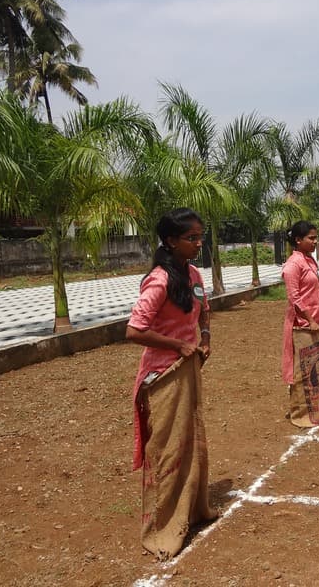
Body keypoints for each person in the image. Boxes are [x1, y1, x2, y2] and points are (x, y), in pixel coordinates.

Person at [125, 208, 217, 560]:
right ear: (170, 241)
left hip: (188, 369)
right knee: (167, 450)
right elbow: (134, 330)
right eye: (191, 238)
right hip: (162, 376)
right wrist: (178, 345)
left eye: (200, 237)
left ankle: (192, 510)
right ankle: (162, 527)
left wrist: (204, 338)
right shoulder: (159, 280)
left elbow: (204, 310)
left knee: (190, 442)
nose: (198, 243)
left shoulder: (193, 274)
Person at [281, 220, 319, 428]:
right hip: (302, 326)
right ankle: (303, 414)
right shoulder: (293, 265)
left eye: (315, 237)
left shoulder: (309, 260)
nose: (315, 241)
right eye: (311, 238)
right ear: (298, 240)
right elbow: (295, 298)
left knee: (318, 369)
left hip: (316, 324)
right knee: (304, 372)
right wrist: (310, 320)